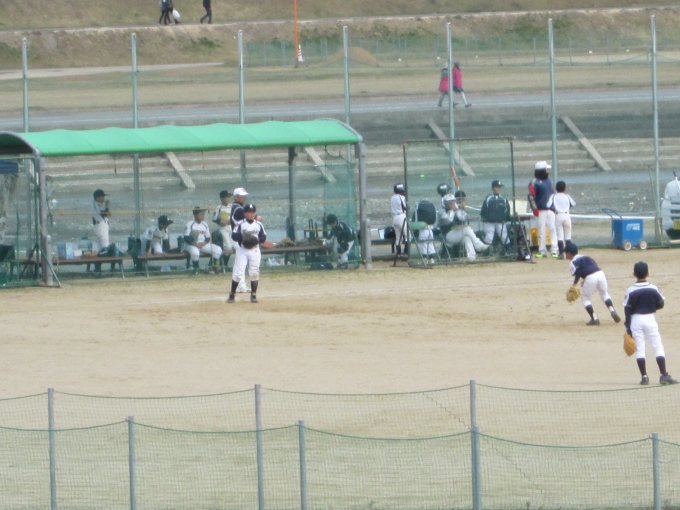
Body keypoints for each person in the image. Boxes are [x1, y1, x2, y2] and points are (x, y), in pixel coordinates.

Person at [623, 261, 677, 385]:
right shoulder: (653, 288)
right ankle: (663, 375)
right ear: (648, 273)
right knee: (657, 346)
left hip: (636, 320)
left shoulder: (630, 290)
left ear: (634, 274)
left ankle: (644, 377)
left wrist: (628, 328)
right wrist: (651, 306)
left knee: (640, 348)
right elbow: (661, 304)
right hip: (650, 318)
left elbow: (627, 310)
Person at [564, 242, 621, 326]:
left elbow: (578, 272)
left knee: (585, 299)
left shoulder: (573, 261)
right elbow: (592, 267)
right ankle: (612, 309)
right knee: (604, 294)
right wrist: (585, 279)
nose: (565, 255)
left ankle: (594, 319)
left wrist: (574, 284)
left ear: (569, 253)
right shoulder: (586, 256)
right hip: (600, 274)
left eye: (566, 253)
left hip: (591, 277)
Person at [228, 204, 267, 304]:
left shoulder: (258, 224)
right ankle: (232, 293)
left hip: (255, 250)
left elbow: (263, 237)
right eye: (249, 212)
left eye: (253, 212)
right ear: (245, 213)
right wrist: (243, 238)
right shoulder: (240, 224)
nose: (251, 214)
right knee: (238, 273)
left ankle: (253, 294)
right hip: (243, 250)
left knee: (254, 272)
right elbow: (234, 236)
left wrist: (256, 240)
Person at [438, 192, 489, 261]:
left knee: (467, 238)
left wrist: (461, 210)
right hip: (447, 235)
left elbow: (462, 218)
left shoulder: (456, 210)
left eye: (453, 202)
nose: (452, 204)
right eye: (450, 202)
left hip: (456, 234)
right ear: (445, 203)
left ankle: (471, 257)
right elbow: (448, 220)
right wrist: (452, 211)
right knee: (467, 229)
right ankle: (478, 245)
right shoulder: (441, 212)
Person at [528, 161, 558, 259]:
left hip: (550, 209)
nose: (547, 170)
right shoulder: (534, 182)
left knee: (553, 229)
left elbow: (552, 194)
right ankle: (542, 250)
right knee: (541, 230)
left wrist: (554, 206)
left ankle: (554, 250)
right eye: (546, 169)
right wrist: (535, 209)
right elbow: (531, 197)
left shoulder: (549, 181)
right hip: (540, 210)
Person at [184, 206, 222, 274]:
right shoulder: (190, 224)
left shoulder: (205, 224)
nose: (203, 215)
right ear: (195, 215)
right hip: (191, 244)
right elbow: (186, 237)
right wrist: (195, 244)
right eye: (201, 214)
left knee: (218, 250)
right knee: (195, 252)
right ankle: (196, 269)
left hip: (202, 244)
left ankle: (210, 267)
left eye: (203, 214)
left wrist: (204, 243)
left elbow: (208, 237)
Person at [547, 181, 576, 260]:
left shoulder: (553, 196)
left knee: (559, 236)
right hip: (566, 215)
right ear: (564, 188)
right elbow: (573, 204)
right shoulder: (567, 196)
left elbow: (548, 205)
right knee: (568, 236)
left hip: (558, 215)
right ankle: (569, 254)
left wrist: (554, 209)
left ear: (556, 188)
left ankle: (561, 253)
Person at [230, 188, 252, 292]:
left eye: (244, 196)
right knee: (241, 264)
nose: (244, 198)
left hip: (238, 238)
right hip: (239, 239)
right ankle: (241, 286)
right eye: (241, 196)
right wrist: (256, 218)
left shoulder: (236, 207)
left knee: (238, 264)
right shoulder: (237, 208)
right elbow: (249, 218)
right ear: (236, 197)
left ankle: (238, 285)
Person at [480, 180, 510, 246]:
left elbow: (507, 210)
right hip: (490, 222)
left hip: (500, 222)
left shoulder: (503, 199)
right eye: (497, 187)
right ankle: (488, 250)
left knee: (504, 236)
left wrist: (505, 218)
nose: (499, 189)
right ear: (493, 188)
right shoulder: (488, 198)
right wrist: (486, 218)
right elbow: (483, 210)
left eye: (500, 187)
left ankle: (507, 249)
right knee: (489, 237)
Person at [91, 189, 111, 274]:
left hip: (102, 225)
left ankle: (98, 269)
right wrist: (107, 206)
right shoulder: (97, 204)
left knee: (100, 248)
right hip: (100, 226)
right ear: (98, 197)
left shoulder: (98, 204)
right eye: (102, 196)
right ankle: (99, 269)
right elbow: (104, 214)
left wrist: (107, 211)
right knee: (105, 248)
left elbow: (108, 214)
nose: (103, 198)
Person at [213, 190, 235, 268]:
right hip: (223, 228)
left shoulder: (232, 206)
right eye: (226, 197)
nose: (228, 199)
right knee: (228, 247)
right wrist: (220, 221)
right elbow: (214, 219)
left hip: (232, 228)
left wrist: (231, 221)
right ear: (222, 198)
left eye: (229, 197)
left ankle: (225, 264)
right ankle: (223, 264)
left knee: (235, 246)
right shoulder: (219, 208)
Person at [413, 199, 437, 265]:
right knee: (430, 244)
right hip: (430, 228)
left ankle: (424, 259)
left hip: (423, 229)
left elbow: (415, 219)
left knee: (423, 244)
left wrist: (415, 229)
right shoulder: (431, 206)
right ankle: (432, 259)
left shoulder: (419, 206)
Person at [390, 183, 408, 260]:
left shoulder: (392, 197)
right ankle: (406, 253)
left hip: (395, 217)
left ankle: (399, 254)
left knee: (398, 237)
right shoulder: (402, 197)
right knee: (407, 235)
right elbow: (406, 207)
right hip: (401, 216)